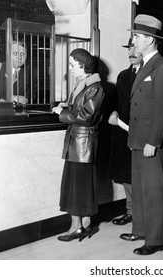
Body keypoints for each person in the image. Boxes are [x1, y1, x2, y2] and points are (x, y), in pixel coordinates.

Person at [119, 14, 163, 255]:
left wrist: (153, 140)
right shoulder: (144, 65)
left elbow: (162, 108)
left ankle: (156, 238)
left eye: (138, 36)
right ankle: (140, 229)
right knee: (140, 189)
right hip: (138, 140)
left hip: (151, 141)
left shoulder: (161, 67)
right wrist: (135, 140)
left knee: (153, 191)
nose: (134, 40)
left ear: (150, 40)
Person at [52, 48, 105, 242]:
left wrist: (61, 114)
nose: (71, 68)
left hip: (83, 144)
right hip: (77, 143)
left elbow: (86, 117)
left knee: (77, 186)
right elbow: (78, 106)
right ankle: (84, 224)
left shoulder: (95, 87)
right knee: (78, 185)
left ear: (83, 65)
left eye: (73, 65)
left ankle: (77, 227)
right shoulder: (84, 84)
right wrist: (64, 106)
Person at [108, 38, 143, 225]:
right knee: (126, 174)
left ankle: (139, 213)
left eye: (135, 48)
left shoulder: (148, 74)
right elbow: (116, 102)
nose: (131, 52)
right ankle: (131, 211)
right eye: (129, 48)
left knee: (137, 175)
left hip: (140, 133)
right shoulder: (123, 75)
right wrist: (114, 110)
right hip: (122, 132)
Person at [0, 39, 38, 104]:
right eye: (15, 53)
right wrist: (11, 97)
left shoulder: (32, 72)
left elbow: (30, 98)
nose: (19, 57)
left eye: (22, 54)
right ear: (8, 54)